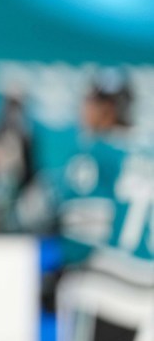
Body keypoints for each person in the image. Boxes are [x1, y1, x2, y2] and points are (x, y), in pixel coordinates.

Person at [46, 68, 153, 341]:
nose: (85, 110)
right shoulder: (148, 153)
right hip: (147, 294)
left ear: (108, 109)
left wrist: (61, 270)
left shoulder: (95, 153)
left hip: (103, 286)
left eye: (91, 103)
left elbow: (82, 231)